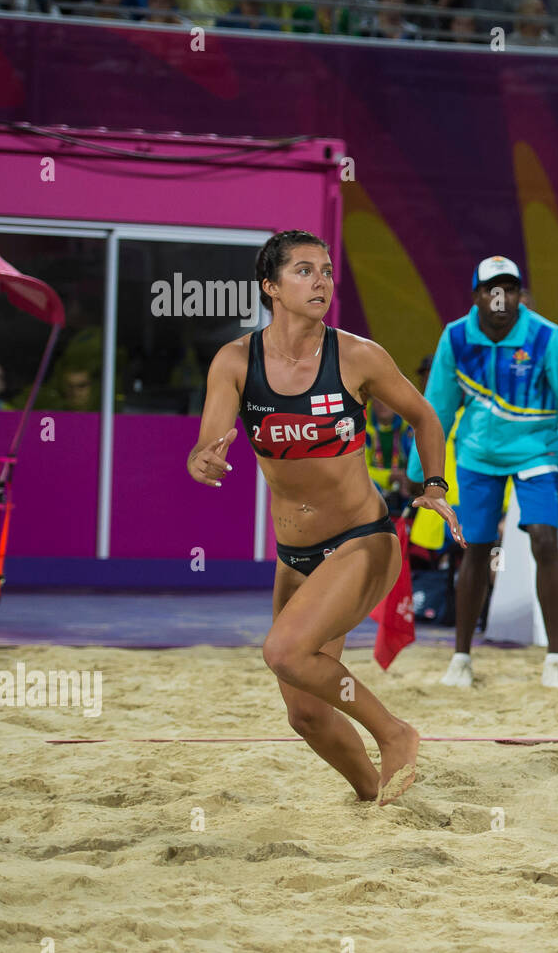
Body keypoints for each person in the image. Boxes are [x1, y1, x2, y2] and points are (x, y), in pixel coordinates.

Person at [186, 229, 462, 805]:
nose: (321, 282)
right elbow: (207, 446)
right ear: (271, 287)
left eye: (327, 271)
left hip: (362, 543)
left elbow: (426, 418)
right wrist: (203, 462)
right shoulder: (236, 362)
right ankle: (375, 797)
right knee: (305, 713)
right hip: (295, 559)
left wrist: (433, 484)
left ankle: (395, 733)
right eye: (305, 271)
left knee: (283, 652)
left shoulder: (357, 355)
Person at [407, 256, 558, 690]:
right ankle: (461, 657)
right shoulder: (455, 337)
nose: (501, 297)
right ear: (476, 295)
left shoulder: (548, 337)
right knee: (474, 549)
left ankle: (555, 657)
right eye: (492, 288)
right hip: (477, 455)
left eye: (510, 288)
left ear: (520, 295)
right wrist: (421, 471)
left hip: (537, 453)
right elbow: (435, 408)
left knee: (545, 540)